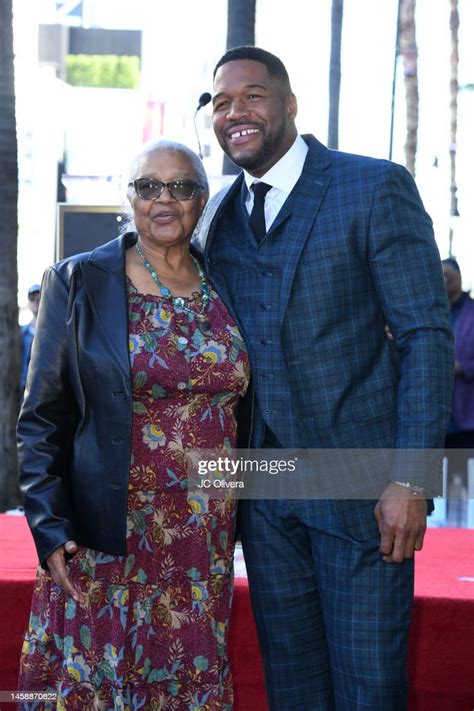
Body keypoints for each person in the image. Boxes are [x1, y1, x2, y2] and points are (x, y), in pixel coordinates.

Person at [192, 46, 454, 710]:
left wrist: (413, 477)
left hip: (363, 490)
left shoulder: (372, 186)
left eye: (251, 95)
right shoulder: (218, 217)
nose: (235, 112)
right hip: (267, 497)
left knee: (369, 690)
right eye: (221, 102)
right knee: (294, 689)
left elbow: (426, 335)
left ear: (288, 104)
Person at [17, 140, 250, 709]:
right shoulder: (78, 282)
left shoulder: (229, 283)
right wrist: (49, 526)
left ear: (202, 200)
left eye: (183, 187)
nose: (164, 199)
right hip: (109, 531)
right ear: (130, 196)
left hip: (203, 535)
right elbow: (41, 418)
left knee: (187, 675)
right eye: (149, 186)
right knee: (103, 676)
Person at [442, 257, 474, 525]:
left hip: (465, 414)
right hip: (439, 412)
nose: (443, 281)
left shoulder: (472, 313)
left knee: (460, 478)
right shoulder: (435, 311)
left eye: (447, 277)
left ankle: (458, 531)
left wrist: (463, 368)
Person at [19, 284, 41, 395]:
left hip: (43, 390)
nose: (36, 301)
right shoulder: (21, 333)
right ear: (28, 302)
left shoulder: (52, 333)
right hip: (23, 389)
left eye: (39, 297)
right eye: (32, 298)